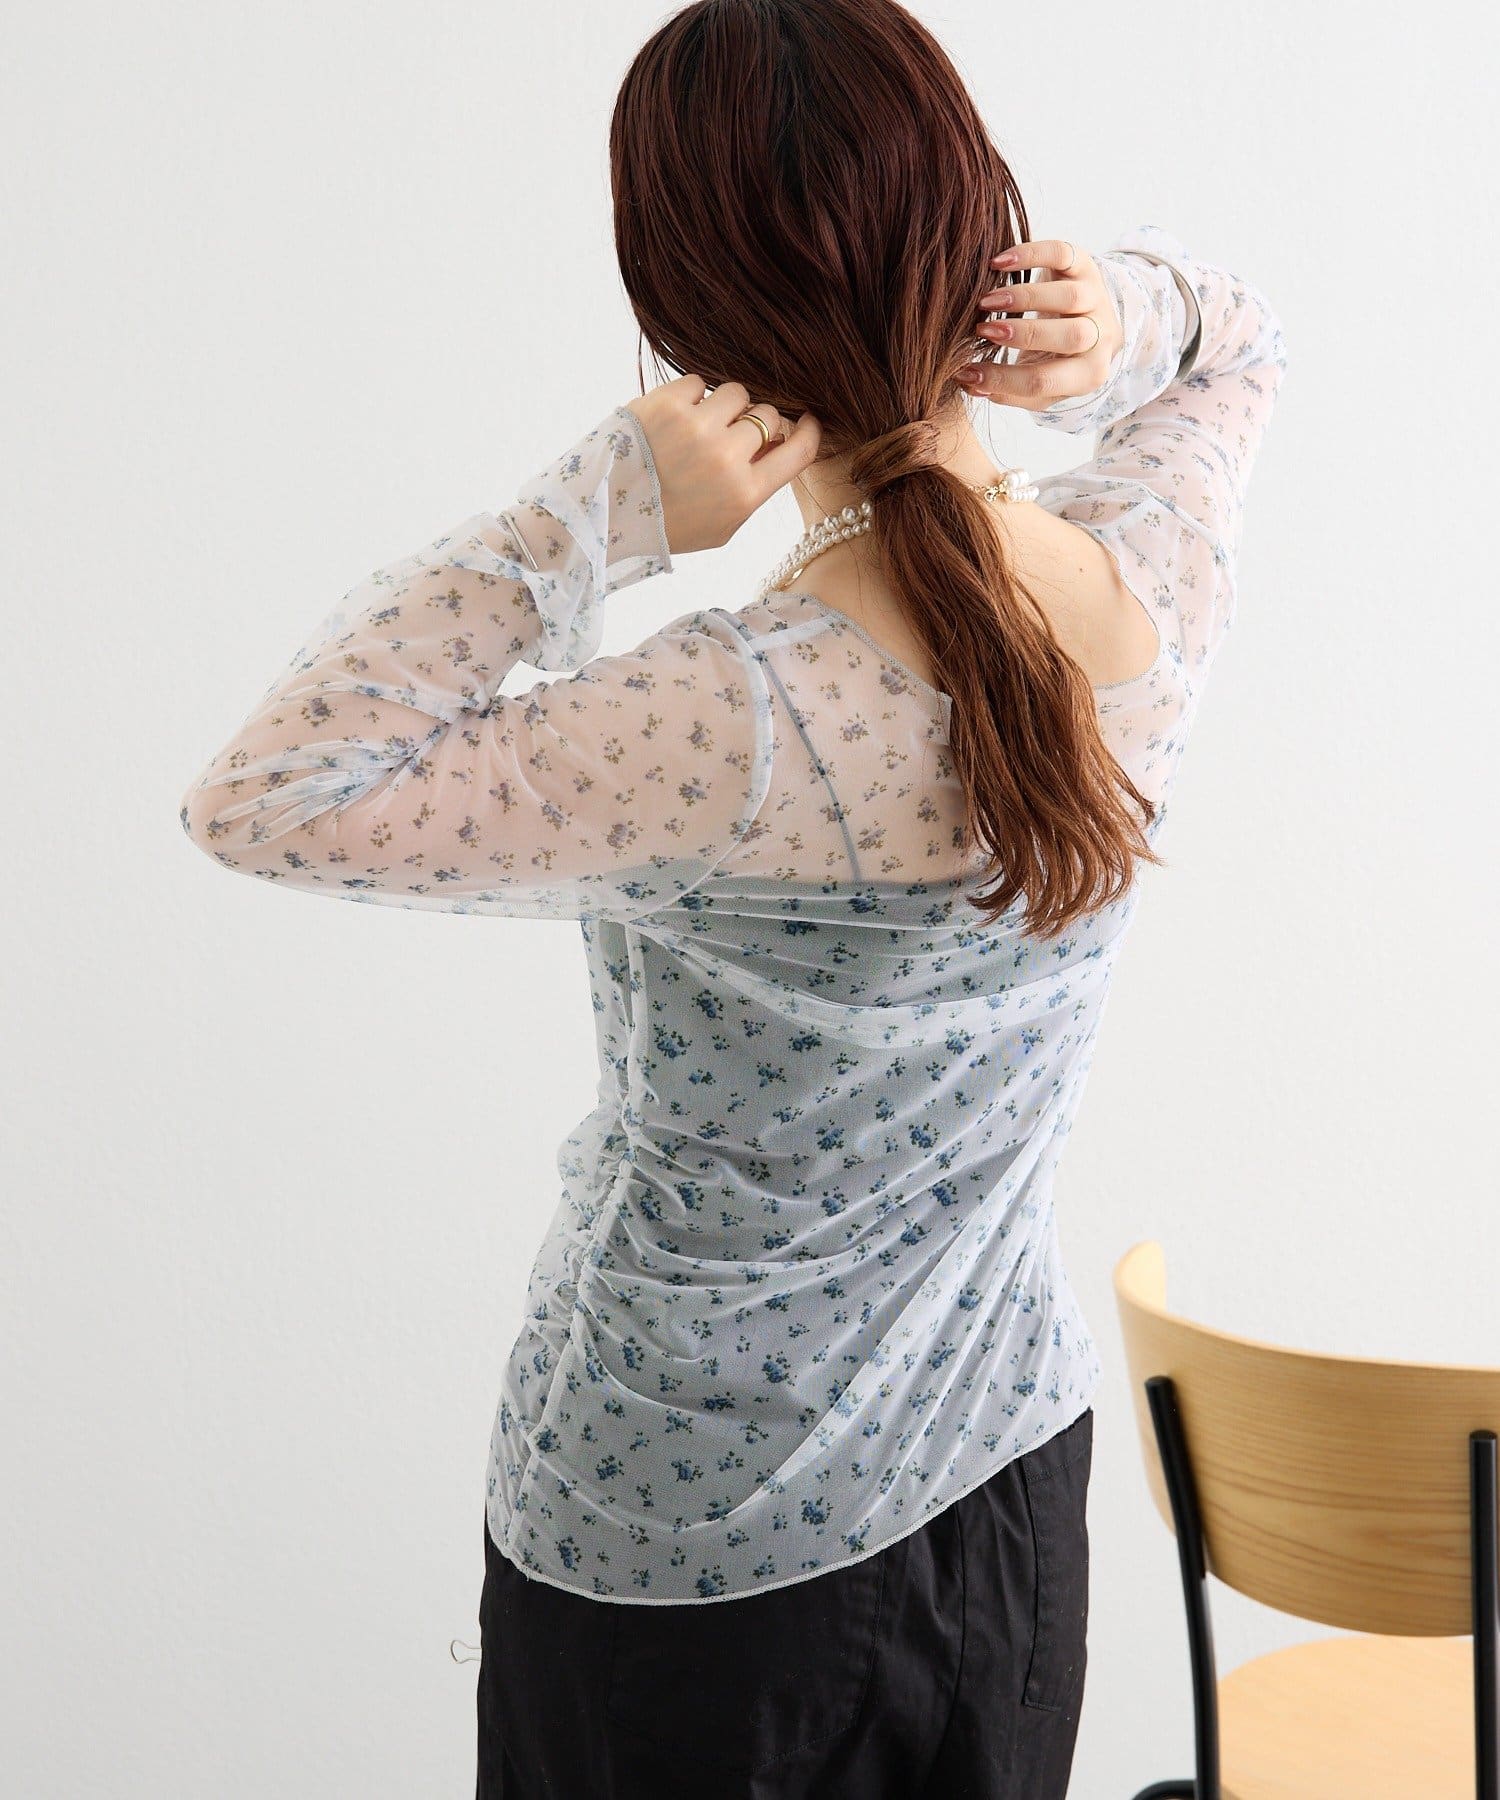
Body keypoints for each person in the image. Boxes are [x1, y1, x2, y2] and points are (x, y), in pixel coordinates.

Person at [177, 1, 1287, 1793]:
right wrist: (1130, 313)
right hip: (1007, 1499)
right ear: (984, 240)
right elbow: (1243, 350)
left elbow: (270, 795)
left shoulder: (719, 724)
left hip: (686, 1556)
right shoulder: (1146, 596)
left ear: (684, 328)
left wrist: (596, 508)